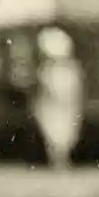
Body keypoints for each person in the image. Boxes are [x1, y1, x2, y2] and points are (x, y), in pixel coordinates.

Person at [32, 24, 87, 171]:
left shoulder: (70, 70)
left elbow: (75, 90)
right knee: (54, 134)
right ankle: (58, 161)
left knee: (65, 134)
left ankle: (61, 161)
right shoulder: (46, 71)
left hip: (65, 106)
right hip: (53, 107)